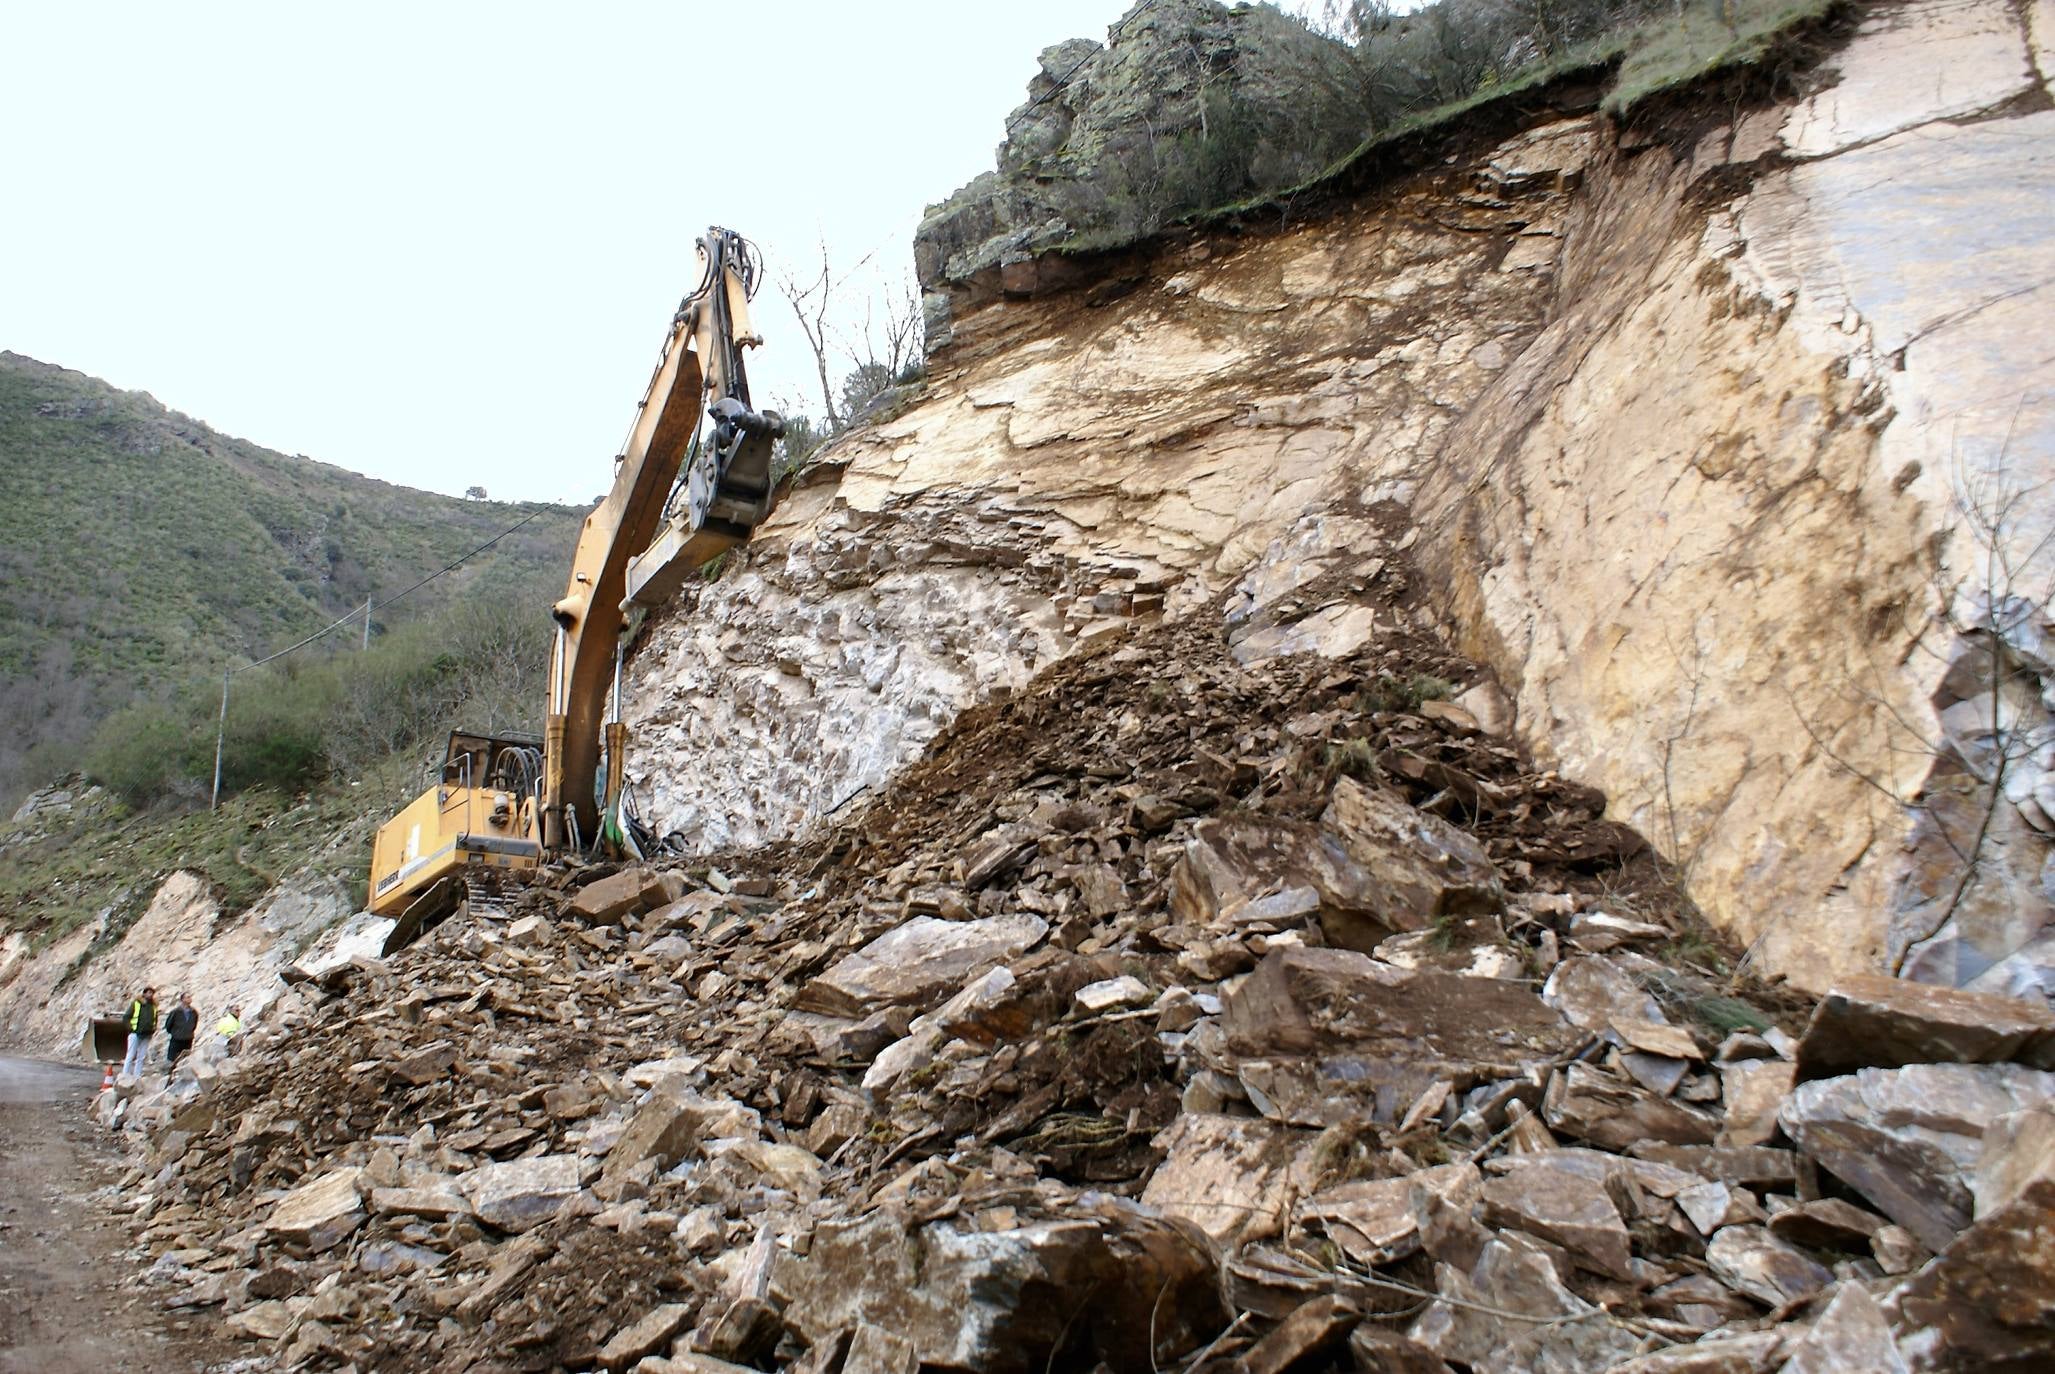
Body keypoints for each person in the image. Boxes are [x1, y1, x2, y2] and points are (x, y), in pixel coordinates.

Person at [121, 986, 158, 1078]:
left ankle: (137, 1075)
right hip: (135, 1033)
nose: (150, 995)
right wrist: (131, 1029)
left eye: (152, 993)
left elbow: (155, 1019)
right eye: (149, 992)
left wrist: (153, 1029)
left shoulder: (153, 1006)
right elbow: (126, 1017)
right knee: (130, 1055)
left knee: (141, 1057)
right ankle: (125, 1075)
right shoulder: (136, 1004)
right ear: (144, 993)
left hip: (147, 1034)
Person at [163, 992, 198, 1071]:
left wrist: (189, 1031)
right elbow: (168, 1024)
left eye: (190, 997)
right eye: (187, 997)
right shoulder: (175, 1012)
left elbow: (194, 1024)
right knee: (172, 1059)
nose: (190, 999)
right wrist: (175, 1033)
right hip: (177, 1038)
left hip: (188, 1038)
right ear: (182, 999)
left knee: (186, 1058)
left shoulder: (194, 1012)